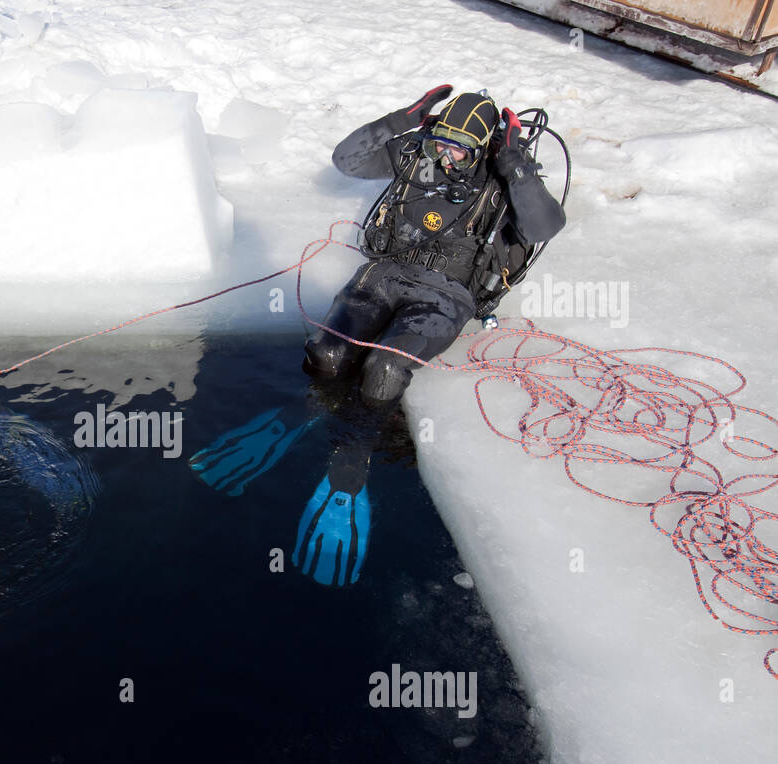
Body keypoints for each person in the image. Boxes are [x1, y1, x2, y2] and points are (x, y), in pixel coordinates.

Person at [191, 87, 566, 586]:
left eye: (461, 149)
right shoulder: (418, 155)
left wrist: (515, 160)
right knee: (325, 353)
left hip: (446, 296)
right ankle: (305, 409)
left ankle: (352, 458)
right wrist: (403, 119)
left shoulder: (499, 178)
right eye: (442, 142)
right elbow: (346, 159)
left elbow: (544, 225)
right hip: (384, 274)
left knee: (385, 367)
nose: (446, 156)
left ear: (483, 150)